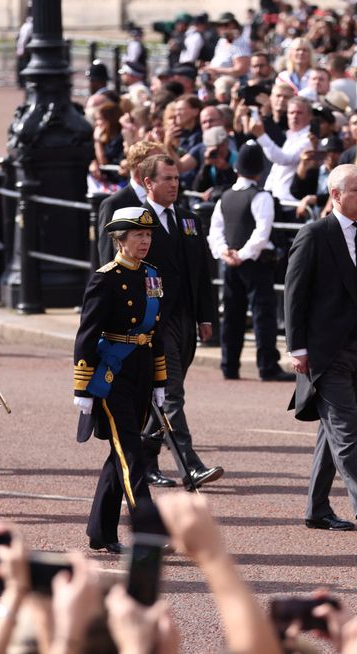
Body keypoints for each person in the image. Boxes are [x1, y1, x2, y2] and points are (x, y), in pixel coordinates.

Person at [285, 164, 357, 534]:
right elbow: (295, 293)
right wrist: (297, 348)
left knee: (331, 431)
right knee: (346, 427)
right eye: (356, 190)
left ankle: (317, 509)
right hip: (327, 349)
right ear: (335, 195)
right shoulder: (314, 234)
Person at [73, 207, 167, 554]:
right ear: (120, 240)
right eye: (137, 236)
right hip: (112, 376)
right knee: (132, 454)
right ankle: (149, 531)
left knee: (121, 456)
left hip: (142, 370)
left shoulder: (153, 275)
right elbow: (86, 334)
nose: (144, 241)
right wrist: (82, 386)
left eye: (148, 235)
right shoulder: (106, 277)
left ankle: (101, 531)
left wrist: (159, 380)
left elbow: (156, 333)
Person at [137, 154, 222, 490]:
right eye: (167, 179)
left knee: (162, 395)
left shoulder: (188, 220)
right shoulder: (136, 222)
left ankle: (143, 460)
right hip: (154, 321)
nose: (174, 184)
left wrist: (205, 316)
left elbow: (201, 272)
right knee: (172, 393)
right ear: (148, 183)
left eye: (176, 178)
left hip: (185, 318)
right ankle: (190, 465)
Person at [207, 142, 291, 382]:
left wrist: (226, 253)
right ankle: (267, 366)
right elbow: (262, 233)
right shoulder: (261, 196)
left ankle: (229, 365)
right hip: (255, 263)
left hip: (231, 263)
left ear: (237, 168)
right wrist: (242, 255)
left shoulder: (225, 197)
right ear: (259, 171)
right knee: (262, 315)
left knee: (232, 316)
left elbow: (215, 232)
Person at [96, 141, 165, 266]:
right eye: (157, 163)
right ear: (140, 167)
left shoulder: (163, 199)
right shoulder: (113, 203)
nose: (163, 168)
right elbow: (107, 254)